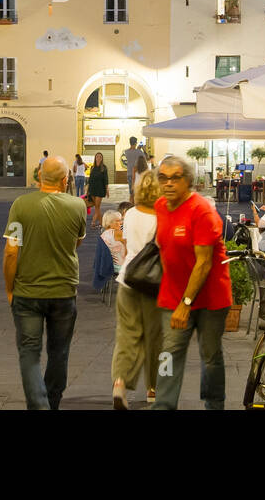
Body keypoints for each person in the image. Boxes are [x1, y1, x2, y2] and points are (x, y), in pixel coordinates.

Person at [3, 156, 86, 410]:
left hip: (27, 292)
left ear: (39, 177)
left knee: (29, 353)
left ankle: (39, 405)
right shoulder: (77, 206)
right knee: (59, 353)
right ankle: (52, 402)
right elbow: (77, 241)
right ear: (65, 180)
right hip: (64, 290)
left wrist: (10, 288)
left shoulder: (21, 205)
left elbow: (11, 251)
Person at [151, 155, 233, 411]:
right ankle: (163, 405)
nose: (169, 183)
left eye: (175, 177)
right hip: (174, 296)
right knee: (168, 353)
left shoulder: (202, 211)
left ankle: (214, 403)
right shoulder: (161, 207)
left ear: (187, 180)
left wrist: (186, 303)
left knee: (210, 356)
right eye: (163, 178)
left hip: (210, 298)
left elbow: (204, 263)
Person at [111, 169, 162, 409]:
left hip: (128, 278)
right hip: (154, 283)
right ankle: (153, 388)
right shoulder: (163, 216)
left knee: (127, 334)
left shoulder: (130, 213)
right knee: (155, 338)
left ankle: (120, 383)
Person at [87, 152, 109, 228]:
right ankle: (102, 223)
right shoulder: (92, 167)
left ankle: (93, 222)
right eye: (97, 157)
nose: (99, 158)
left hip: (100, 189)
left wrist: (107, 190)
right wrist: (87, 191)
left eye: (100, 157)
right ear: (95, 158)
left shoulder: (104, 168)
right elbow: (90, 180)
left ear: (102, 158)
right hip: (92, 189)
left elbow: (106, 180)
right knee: (97, 208)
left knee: (97, 206)